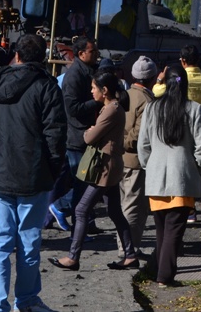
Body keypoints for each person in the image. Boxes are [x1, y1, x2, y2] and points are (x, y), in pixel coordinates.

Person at [0, 33, 66, 312]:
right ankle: (26, 300)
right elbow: (56, 136)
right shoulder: (47, 87)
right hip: (34, 177)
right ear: (43, 56)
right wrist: (50, 168)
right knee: (29, 243)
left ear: (17, 55)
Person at [49, 69, 138, 271]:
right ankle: (130, 254)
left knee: (81, 209)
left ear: (104, 90)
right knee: (115, 211)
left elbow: (89, 138)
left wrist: (90, 131)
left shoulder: (111, 110)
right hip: (111, 165)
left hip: (105, 168)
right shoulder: (114, 107)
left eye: (93, 88)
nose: (91, 92)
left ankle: (73, 257)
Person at [139, 64, 201, 288]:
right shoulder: (195, 109)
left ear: (165, 83)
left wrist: (149, 166)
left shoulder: (152, 108)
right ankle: (164, 277)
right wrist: (196, 169)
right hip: (183, 176)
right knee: (174, 230)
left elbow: (144, 144)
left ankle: (159, 271)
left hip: (156, 175)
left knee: (162, 230)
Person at [58, 37, 103, 233]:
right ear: (81, 53)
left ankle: (86, 223)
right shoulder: (74, 76)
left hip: (89, 135)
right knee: (82, 184)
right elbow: (73, 108)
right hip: (78, 138)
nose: (96, 55)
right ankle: (64, 210)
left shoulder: (91, 72)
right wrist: (98, 102)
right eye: (92, 52)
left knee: (89, 181)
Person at [118, 55, 156, 258]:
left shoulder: (125, 94)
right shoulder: (147, 100)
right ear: (152, 78)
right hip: (135, 161)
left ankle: (127, 247)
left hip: (120, 159)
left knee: (124, 203)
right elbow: (139, 136)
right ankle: (128, 249)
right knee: (133, 207)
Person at [180, 45, 201, 222]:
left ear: (183, 61)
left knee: (186, 166)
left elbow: (157, 91)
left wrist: (161, 80)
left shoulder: (179, 78)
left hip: (183, 125)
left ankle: (191, 210)